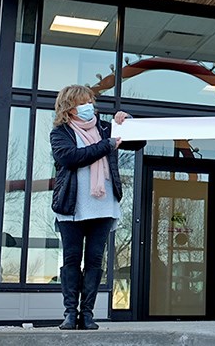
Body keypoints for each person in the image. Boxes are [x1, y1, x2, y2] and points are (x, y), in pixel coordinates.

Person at [50, 85, 145, 330]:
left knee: (94, 260)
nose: (89, 106)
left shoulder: (104, 127)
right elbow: (70, 157)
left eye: (90, 101)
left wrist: (128, 123)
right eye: (83, 101)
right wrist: (107, 145)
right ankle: (70, 313)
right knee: (72, 259)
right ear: (70, 107)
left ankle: (88, 314)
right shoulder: (60, 132)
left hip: (103, 207)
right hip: (72, 207)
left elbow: (137, 143)